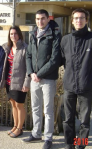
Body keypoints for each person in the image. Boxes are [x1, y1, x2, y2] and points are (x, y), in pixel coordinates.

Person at [60, 8, 92, 149]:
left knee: (84, 120)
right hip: (69, 85)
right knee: (68, 119)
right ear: (72, 21)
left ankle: (81, 145)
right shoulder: (66, 40)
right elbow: (63, 60)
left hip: (86, 85)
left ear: (86, 20)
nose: (79, 20)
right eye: (76, 18)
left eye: (81, 18)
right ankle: (69, 144)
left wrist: (91, 72)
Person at [22, 9, 62, 149]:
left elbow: (55, 59)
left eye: (43, 18)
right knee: (35, 107)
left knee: (47, 109)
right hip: (34, 78)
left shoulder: (55, 34)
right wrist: (31, 73)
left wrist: (40, 74)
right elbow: (28, 56)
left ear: (48, 19)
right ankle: (36, 133)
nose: (40, 21)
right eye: (38, 19)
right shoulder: (33, 34)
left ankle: (48, 138)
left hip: (48, 79)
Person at [2, 26, 30, 138]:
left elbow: (29, 68)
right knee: (13, 104)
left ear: (19, 34)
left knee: (19, 105)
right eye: (11, 34)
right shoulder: (7, 47)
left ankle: (20, 128)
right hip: (9, 81)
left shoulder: (25, 48)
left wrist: (26, 83)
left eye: (15, 33)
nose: (13, 36)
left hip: (20, 82)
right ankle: (15, 125)